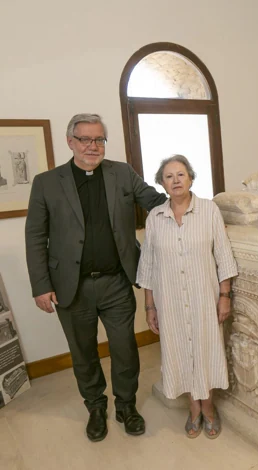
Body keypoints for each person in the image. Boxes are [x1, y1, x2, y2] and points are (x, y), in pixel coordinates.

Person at [25, 113, 167, 442]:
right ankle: (95, 407)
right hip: (69, 288)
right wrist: (41, 285)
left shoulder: (122, 173)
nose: (93, 146)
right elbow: (35, 237)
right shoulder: (47, 182)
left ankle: (127, 406)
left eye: (99, 139)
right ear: (70, 142)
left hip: (116, 281)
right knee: (84, 353)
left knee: (125, 348)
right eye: (86, 139)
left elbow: (155, 203)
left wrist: (193, 205)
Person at [137, 154, 237, 439]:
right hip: (170, 303)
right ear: (162, 184)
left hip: (204, 298)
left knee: (206, 349)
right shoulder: (155, 217)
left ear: (191, 178)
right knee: (179, 351)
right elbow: (148, 265)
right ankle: (193, 408)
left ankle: (209, 407)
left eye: (181, 174)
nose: (176, 180)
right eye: (169, 176)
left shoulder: (208, 211)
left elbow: (223, 255)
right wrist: (149, 307)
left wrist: (224, 295)